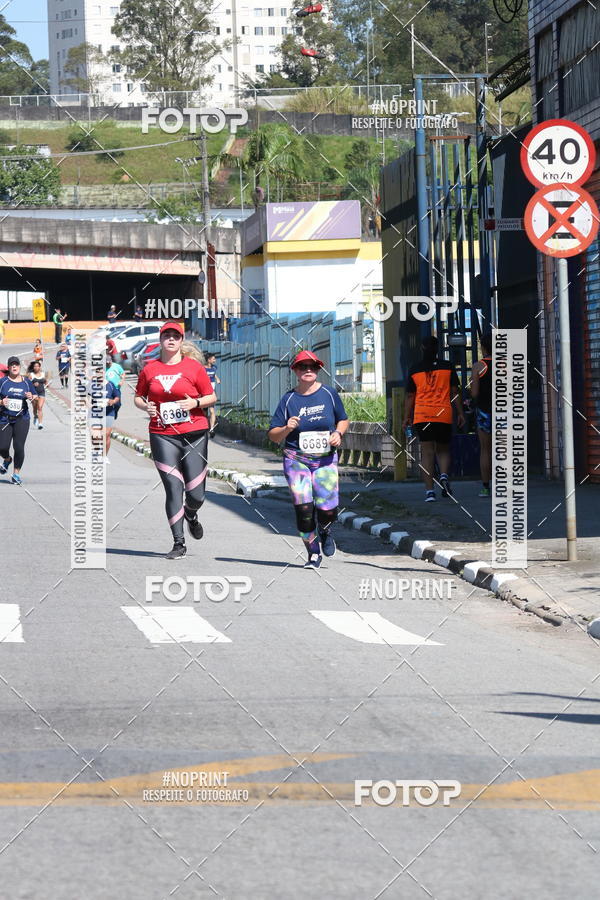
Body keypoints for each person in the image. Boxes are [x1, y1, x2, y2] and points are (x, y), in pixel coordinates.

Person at [134, 321, 216, 560]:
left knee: (197, 494)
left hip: (194, 434)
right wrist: (146, 407)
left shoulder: (194, 368)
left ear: (181, 341)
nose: (171, 339)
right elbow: (138, 397)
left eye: (175, 336)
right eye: (166, 336)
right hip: (162, 434)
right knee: (173, 488)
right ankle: (178, 543)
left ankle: (191, 514)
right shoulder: (150, 369)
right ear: (160, 340)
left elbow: (212, 396)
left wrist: (196, 403)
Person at [268, 350, 349, 569]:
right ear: (295, 370)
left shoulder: (329, 394)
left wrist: (338, 434)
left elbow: (343, 420)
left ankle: (325, 529)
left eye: (312, 367)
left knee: (328, 510)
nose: (308, 370)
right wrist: (286, 428)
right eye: (303, 367)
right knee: (304, 510)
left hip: (325, 460)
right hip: (297, 459)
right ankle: (313, 552)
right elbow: (273, 435)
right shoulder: (288, 399)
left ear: (318, 370)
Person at [403, 335, 465, 502]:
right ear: (437, 349)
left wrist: (406, 417)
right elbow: (455, 392)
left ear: (422, 348)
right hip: (443, 415)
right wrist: (460, 413)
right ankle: (443, 475)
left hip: (422, 416)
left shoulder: (415, 369)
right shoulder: (448, 367)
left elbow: (410, 396)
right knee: (443, 450)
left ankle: (430, 492)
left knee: (427, 454)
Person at [0, 356, 36, 484]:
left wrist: (31, 397)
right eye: (12, 365)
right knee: (2, 447)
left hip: (22, 418)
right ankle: (7, 459)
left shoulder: (26, 382)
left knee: (19, 447)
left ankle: (16, 474)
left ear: (20, 367)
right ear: (8, 368)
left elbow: (35, 397)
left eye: (16, 365)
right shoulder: (2, 382)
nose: (14, 367)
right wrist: (1, 402)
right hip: (5, 418)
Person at [471, 331, 493, 498]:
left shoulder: (479, 366)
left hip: (485, 411)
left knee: (485, 449)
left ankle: (486, 487)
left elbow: (474, 393)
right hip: (504, 411)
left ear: (483, 346)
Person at [89, 357, 120, 462]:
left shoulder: (110, 384)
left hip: (108, 412)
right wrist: (87, 405)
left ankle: (104, 456)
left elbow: (117, 396)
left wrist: (113, 401)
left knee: (106, 434)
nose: (99, 373)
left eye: (101, 371)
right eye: (97, 372)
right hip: (95, 412)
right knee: (95, 436)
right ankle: (96, 451)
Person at [27, 360, 51, 429]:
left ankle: (40, 424)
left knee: (40, 407)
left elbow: (46, 382)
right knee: (35, 408)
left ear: (40, 367)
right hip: (34, 393)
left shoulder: (43, 374)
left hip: (41, 393)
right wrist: (33, 384)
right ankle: (35, 416)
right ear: (33, 367)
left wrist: (47, 385)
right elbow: (28, 384)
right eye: (35, 366)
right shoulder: (31, 375)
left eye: (37, 366)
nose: (36, 367)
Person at [204, 352, 220, 437]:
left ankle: (211, 429)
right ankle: (204, 427)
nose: (215, 360)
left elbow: (214, 374)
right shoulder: (203, 369)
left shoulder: (214, 367)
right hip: (204, 392)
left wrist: (217, 379)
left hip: (212, 392)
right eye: (213, 358)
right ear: (208, 360)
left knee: (212, 410)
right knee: (204, 412)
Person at [105, 355, 125, 420]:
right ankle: (109, 415)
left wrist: (121, 381)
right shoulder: (103, 368)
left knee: (118, 404)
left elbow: (123, 373)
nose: (108, 364)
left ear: (111, 361)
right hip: (108, 388)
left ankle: (115, 411)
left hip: (116, 388)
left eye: (109, 363)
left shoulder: (117, 366)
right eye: (106, 363)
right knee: (108, 403)